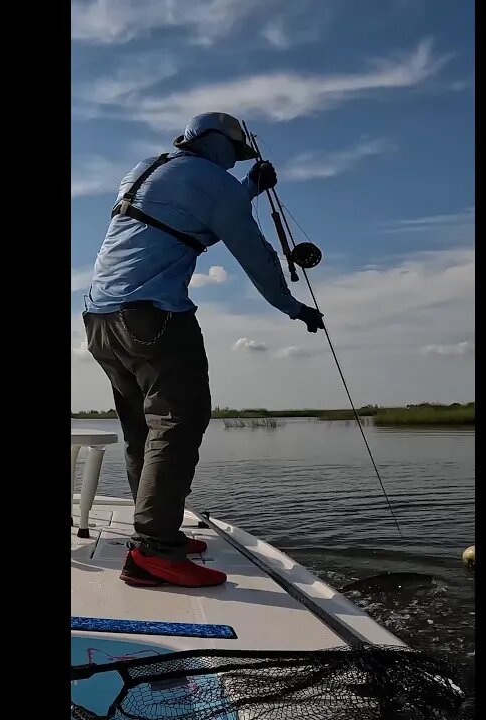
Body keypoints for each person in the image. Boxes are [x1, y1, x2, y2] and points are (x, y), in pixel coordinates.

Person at [82, 112, 325, 588]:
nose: (235, 162)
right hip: (153, 318)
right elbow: (255, 252)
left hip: (98, 322)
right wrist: (293, 307)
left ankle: (157, 530)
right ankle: (155, 550)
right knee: (178, 423)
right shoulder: (215, 181)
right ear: (219, 145)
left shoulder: (147, 168)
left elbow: (188, 213)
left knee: (142, 431)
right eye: (235, 154)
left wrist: (247, 191)